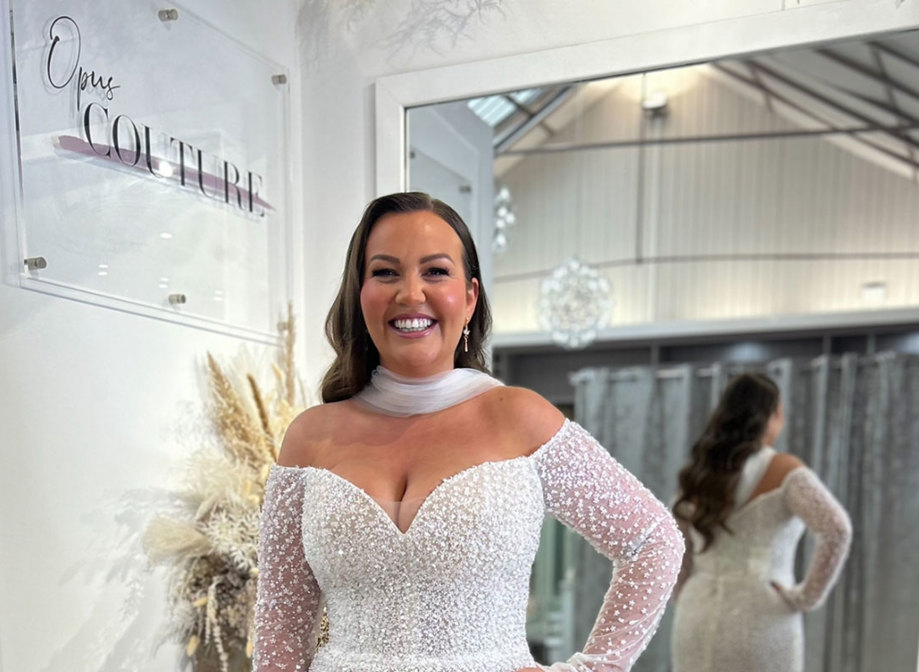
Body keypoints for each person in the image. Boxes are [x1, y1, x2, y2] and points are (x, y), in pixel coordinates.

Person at [252, 192, 684, 672]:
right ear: (360, 294)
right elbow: (280, 630)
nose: (410, 294)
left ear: (471, 297)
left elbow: (653, 540)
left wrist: (594, 667)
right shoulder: (310, 438)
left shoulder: (520, 418)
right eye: (385, 272)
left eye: (435, 271)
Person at [670, 373, 852, 672]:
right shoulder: (785, 469)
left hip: (696, 612)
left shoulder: (698, 473)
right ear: (773, 415)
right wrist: (805, 597)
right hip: (762, 614)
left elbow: (678, 550)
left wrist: (685, 595)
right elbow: (837, 529)